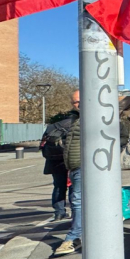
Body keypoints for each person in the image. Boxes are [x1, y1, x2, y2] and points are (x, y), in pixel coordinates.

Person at [40, 91, 79, 223]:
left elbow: (43, 144)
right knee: (74, 187)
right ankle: (76, 213)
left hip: (54, 160)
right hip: (69, 159)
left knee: (58, 186)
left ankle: (59, 213)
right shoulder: (75, 123)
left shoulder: (53, 125)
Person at [53, 91, 82, 256]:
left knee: (77, 201)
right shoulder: (75, 119)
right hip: (75, 167)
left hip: (85, 166)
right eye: (74, 102)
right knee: (78, 201)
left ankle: (73, 237)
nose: (77, 104)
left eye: (79, 101)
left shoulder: (93, 116)